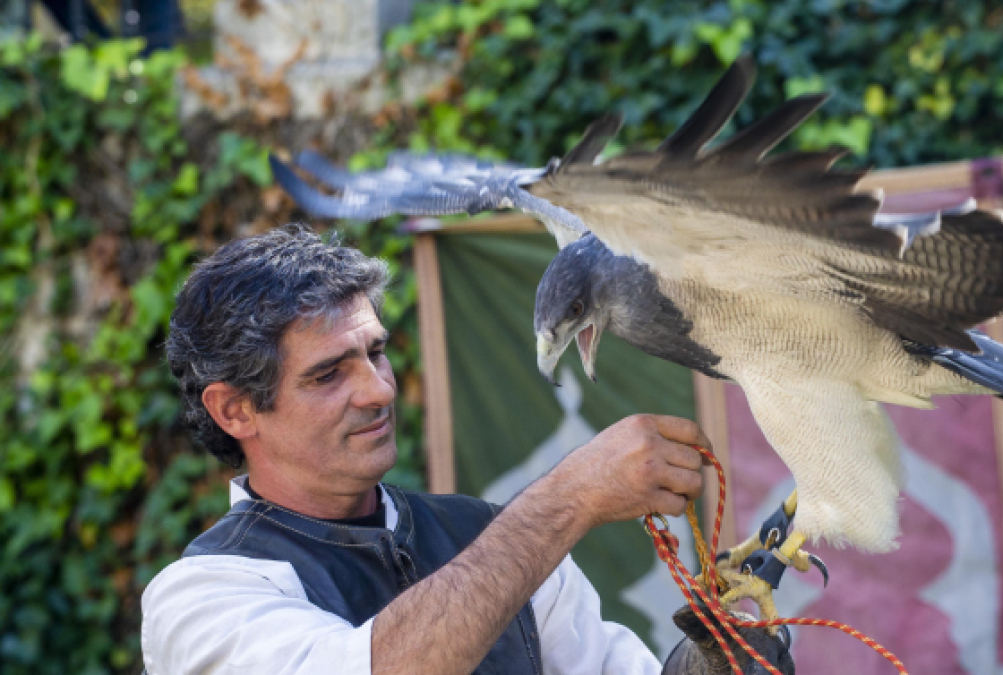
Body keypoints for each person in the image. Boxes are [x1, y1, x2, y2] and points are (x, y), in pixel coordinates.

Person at [140, 224, 711, 674]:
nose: (379, 388)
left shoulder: (489, 534)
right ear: (235, 410)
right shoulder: (203, 598)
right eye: (327, 375)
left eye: (375, 352)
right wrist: (567, 499)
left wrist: (710, 666)